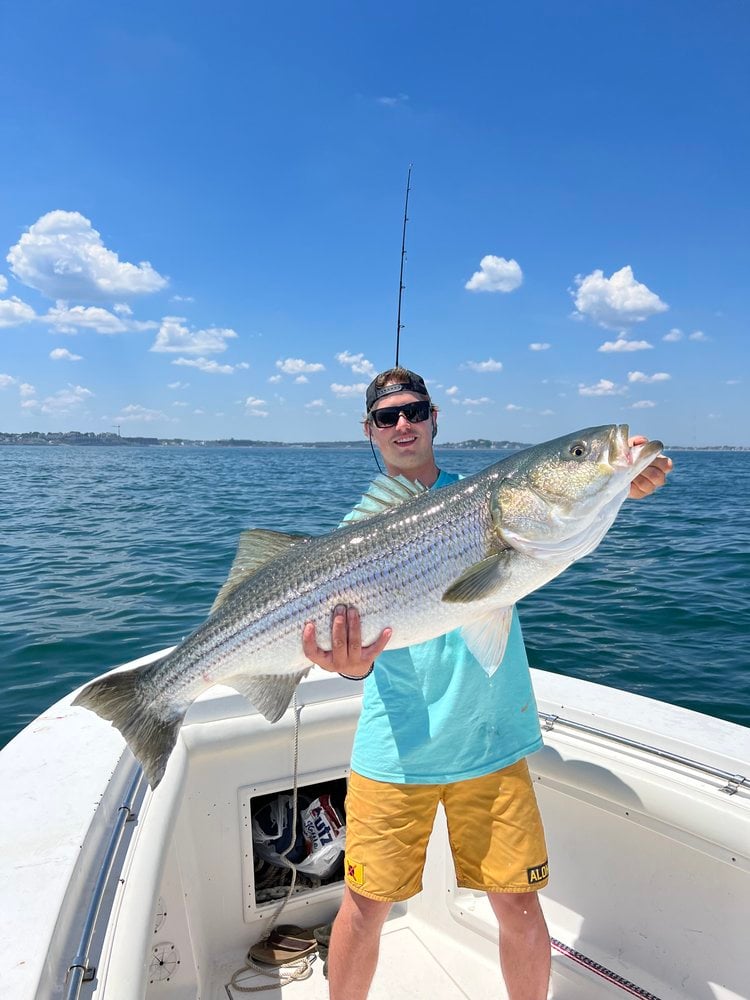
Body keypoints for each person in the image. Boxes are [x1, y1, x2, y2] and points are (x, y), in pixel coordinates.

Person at [302, 367, 672, 1000]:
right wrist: (347, 663)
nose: (403, 425)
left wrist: (615, 482)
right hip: (396, 749)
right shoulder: (353, 535)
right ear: (369, 430)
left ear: (434, 416)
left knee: (521, 911)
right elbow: (357, 661)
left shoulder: (488, 500)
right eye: (388, 417)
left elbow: (558, 530)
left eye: (414, 410)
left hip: (491, 742)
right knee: (364, 911)